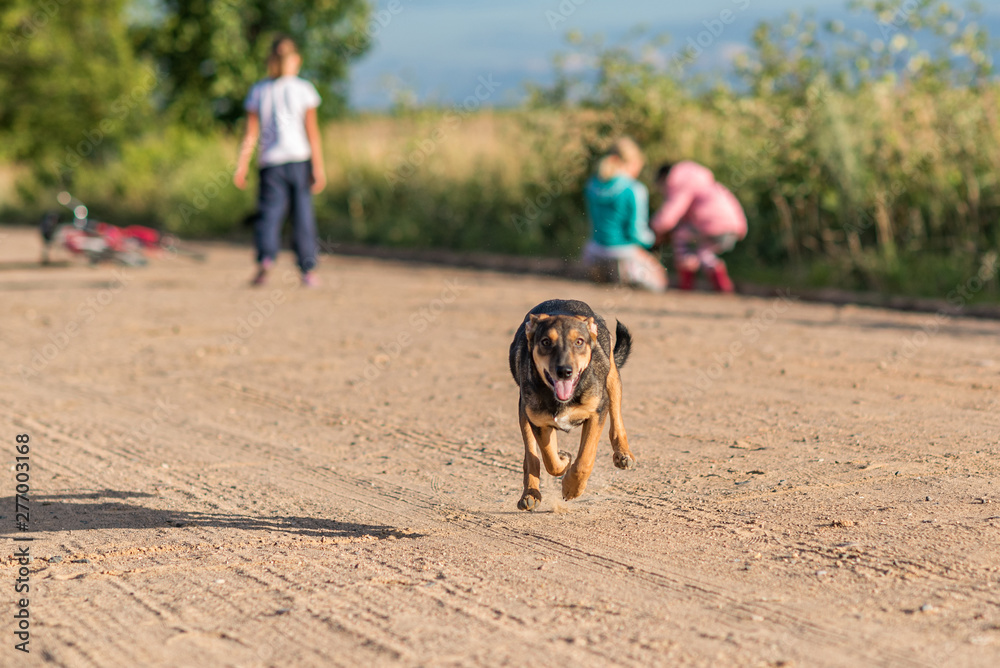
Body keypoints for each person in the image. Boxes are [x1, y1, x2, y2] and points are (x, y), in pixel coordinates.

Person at [234, 36, 326, 287]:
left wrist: (242, 164)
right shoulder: (303, 89)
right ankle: (307, 269)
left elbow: (250, 134)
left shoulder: (260, 90)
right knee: (301, 215)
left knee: (270, 215)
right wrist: (318, 167)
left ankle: (266, 258)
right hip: (297, 159)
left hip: (272, 162)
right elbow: (312, 133)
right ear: (296, 60)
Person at [582, 137, 668, 292]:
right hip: (623, 255)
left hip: (593, 252)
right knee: (660, 282)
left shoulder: (592, 184)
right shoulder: (635, 189)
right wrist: (654, 239)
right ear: (633, 163)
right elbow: (636, 233)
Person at [650, 161, 747, 293]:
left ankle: (686, 280)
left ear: (664, 178)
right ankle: (722, 284)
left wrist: (654, 227)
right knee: (703, 252)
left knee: (680, 236)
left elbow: (671, 213)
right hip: (732, 228)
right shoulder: (706, 183)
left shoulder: (682, 183)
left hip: (712, 225)